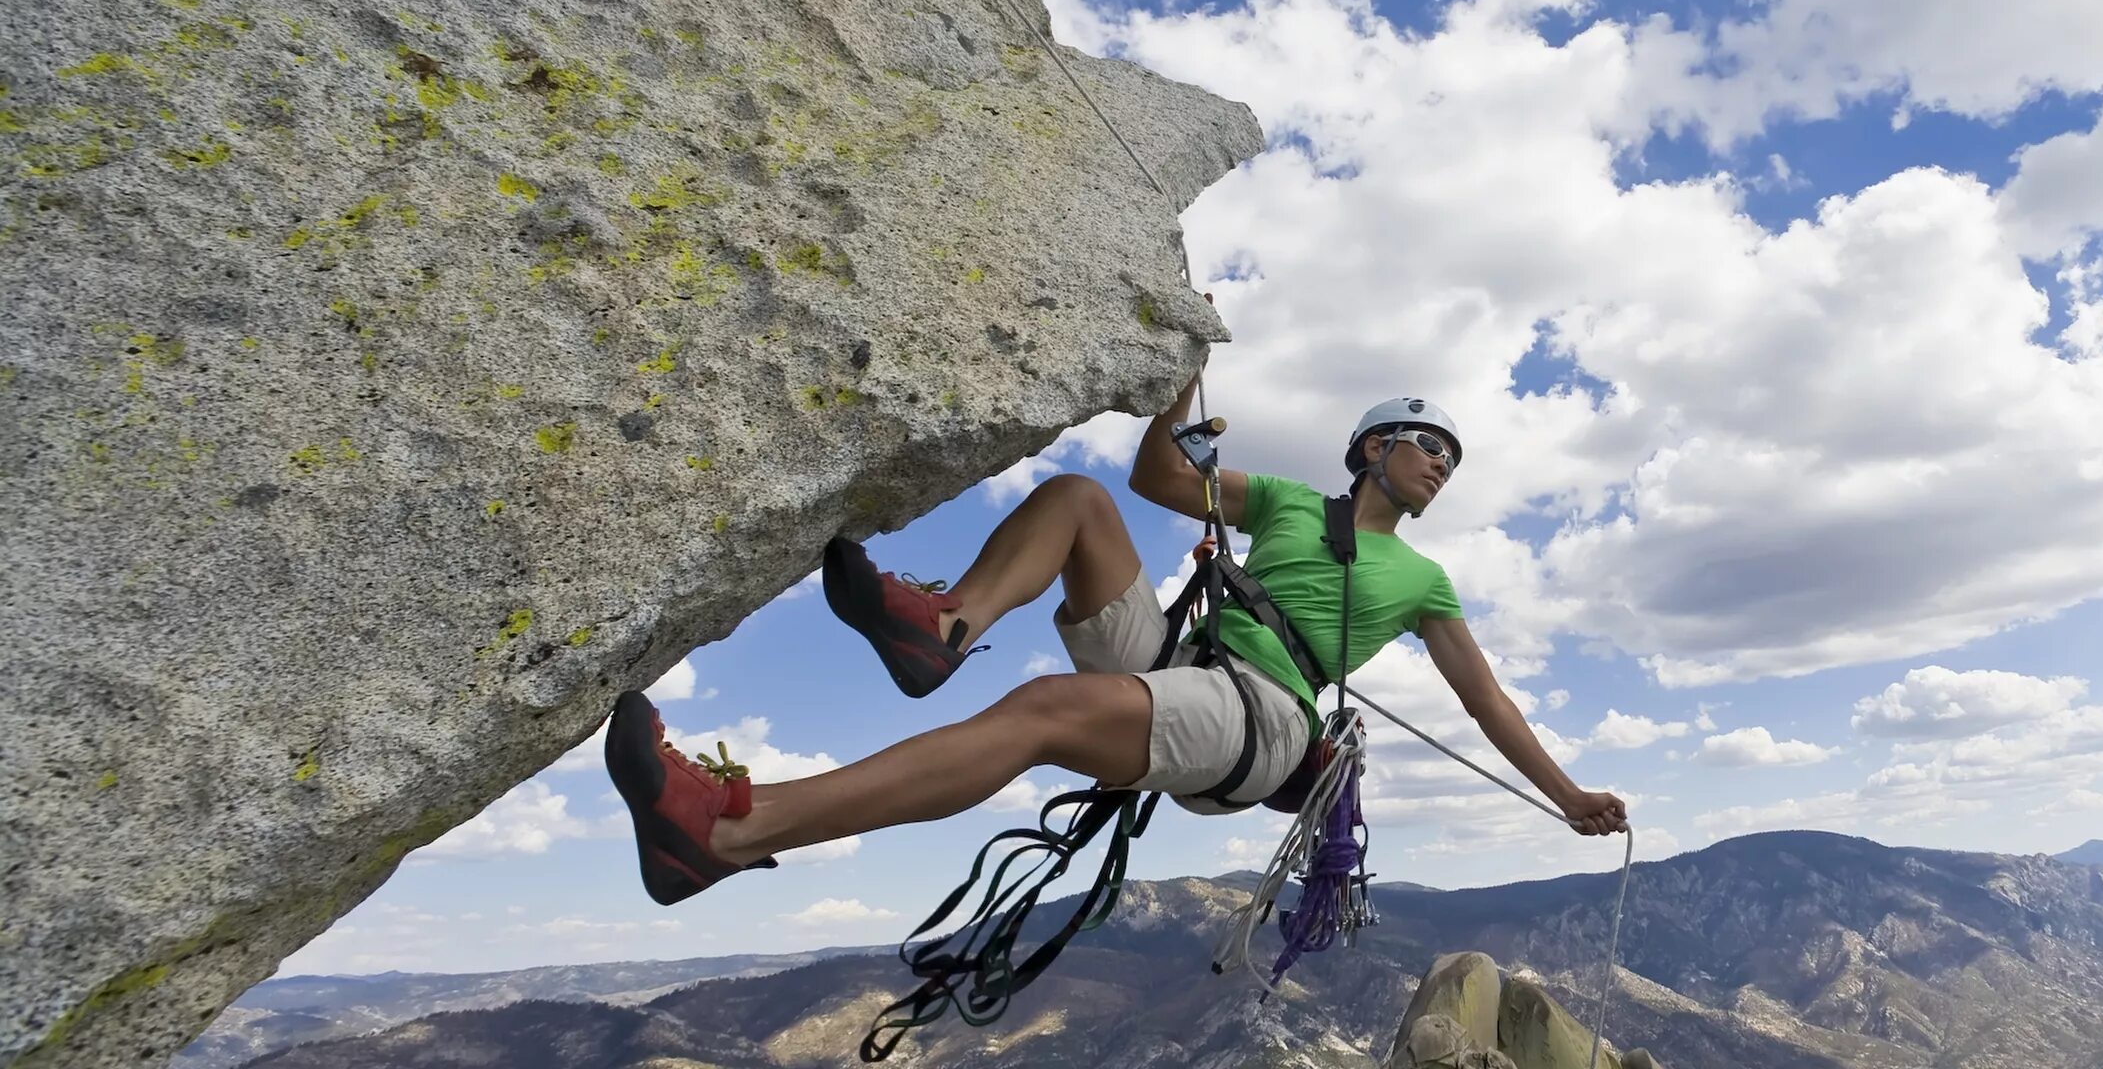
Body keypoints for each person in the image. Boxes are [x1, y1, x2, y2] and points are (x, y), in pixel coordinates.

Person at [605, 380, 1630, 904]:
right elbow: (1154, 479)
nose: (1442, 464)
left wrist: (1566, 793)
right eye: (1427, 443)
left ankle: (730, 831)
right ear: (1374, 447)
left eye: (1453, 456)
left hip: (1264, 718)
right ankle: (945, 627)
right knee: (1082, 500)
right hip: (1187, 667)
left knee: (1044, 712)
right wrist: (1179, 391)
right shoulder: (1278, 501)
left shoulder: (1425, 581)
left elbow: (1487, 700)